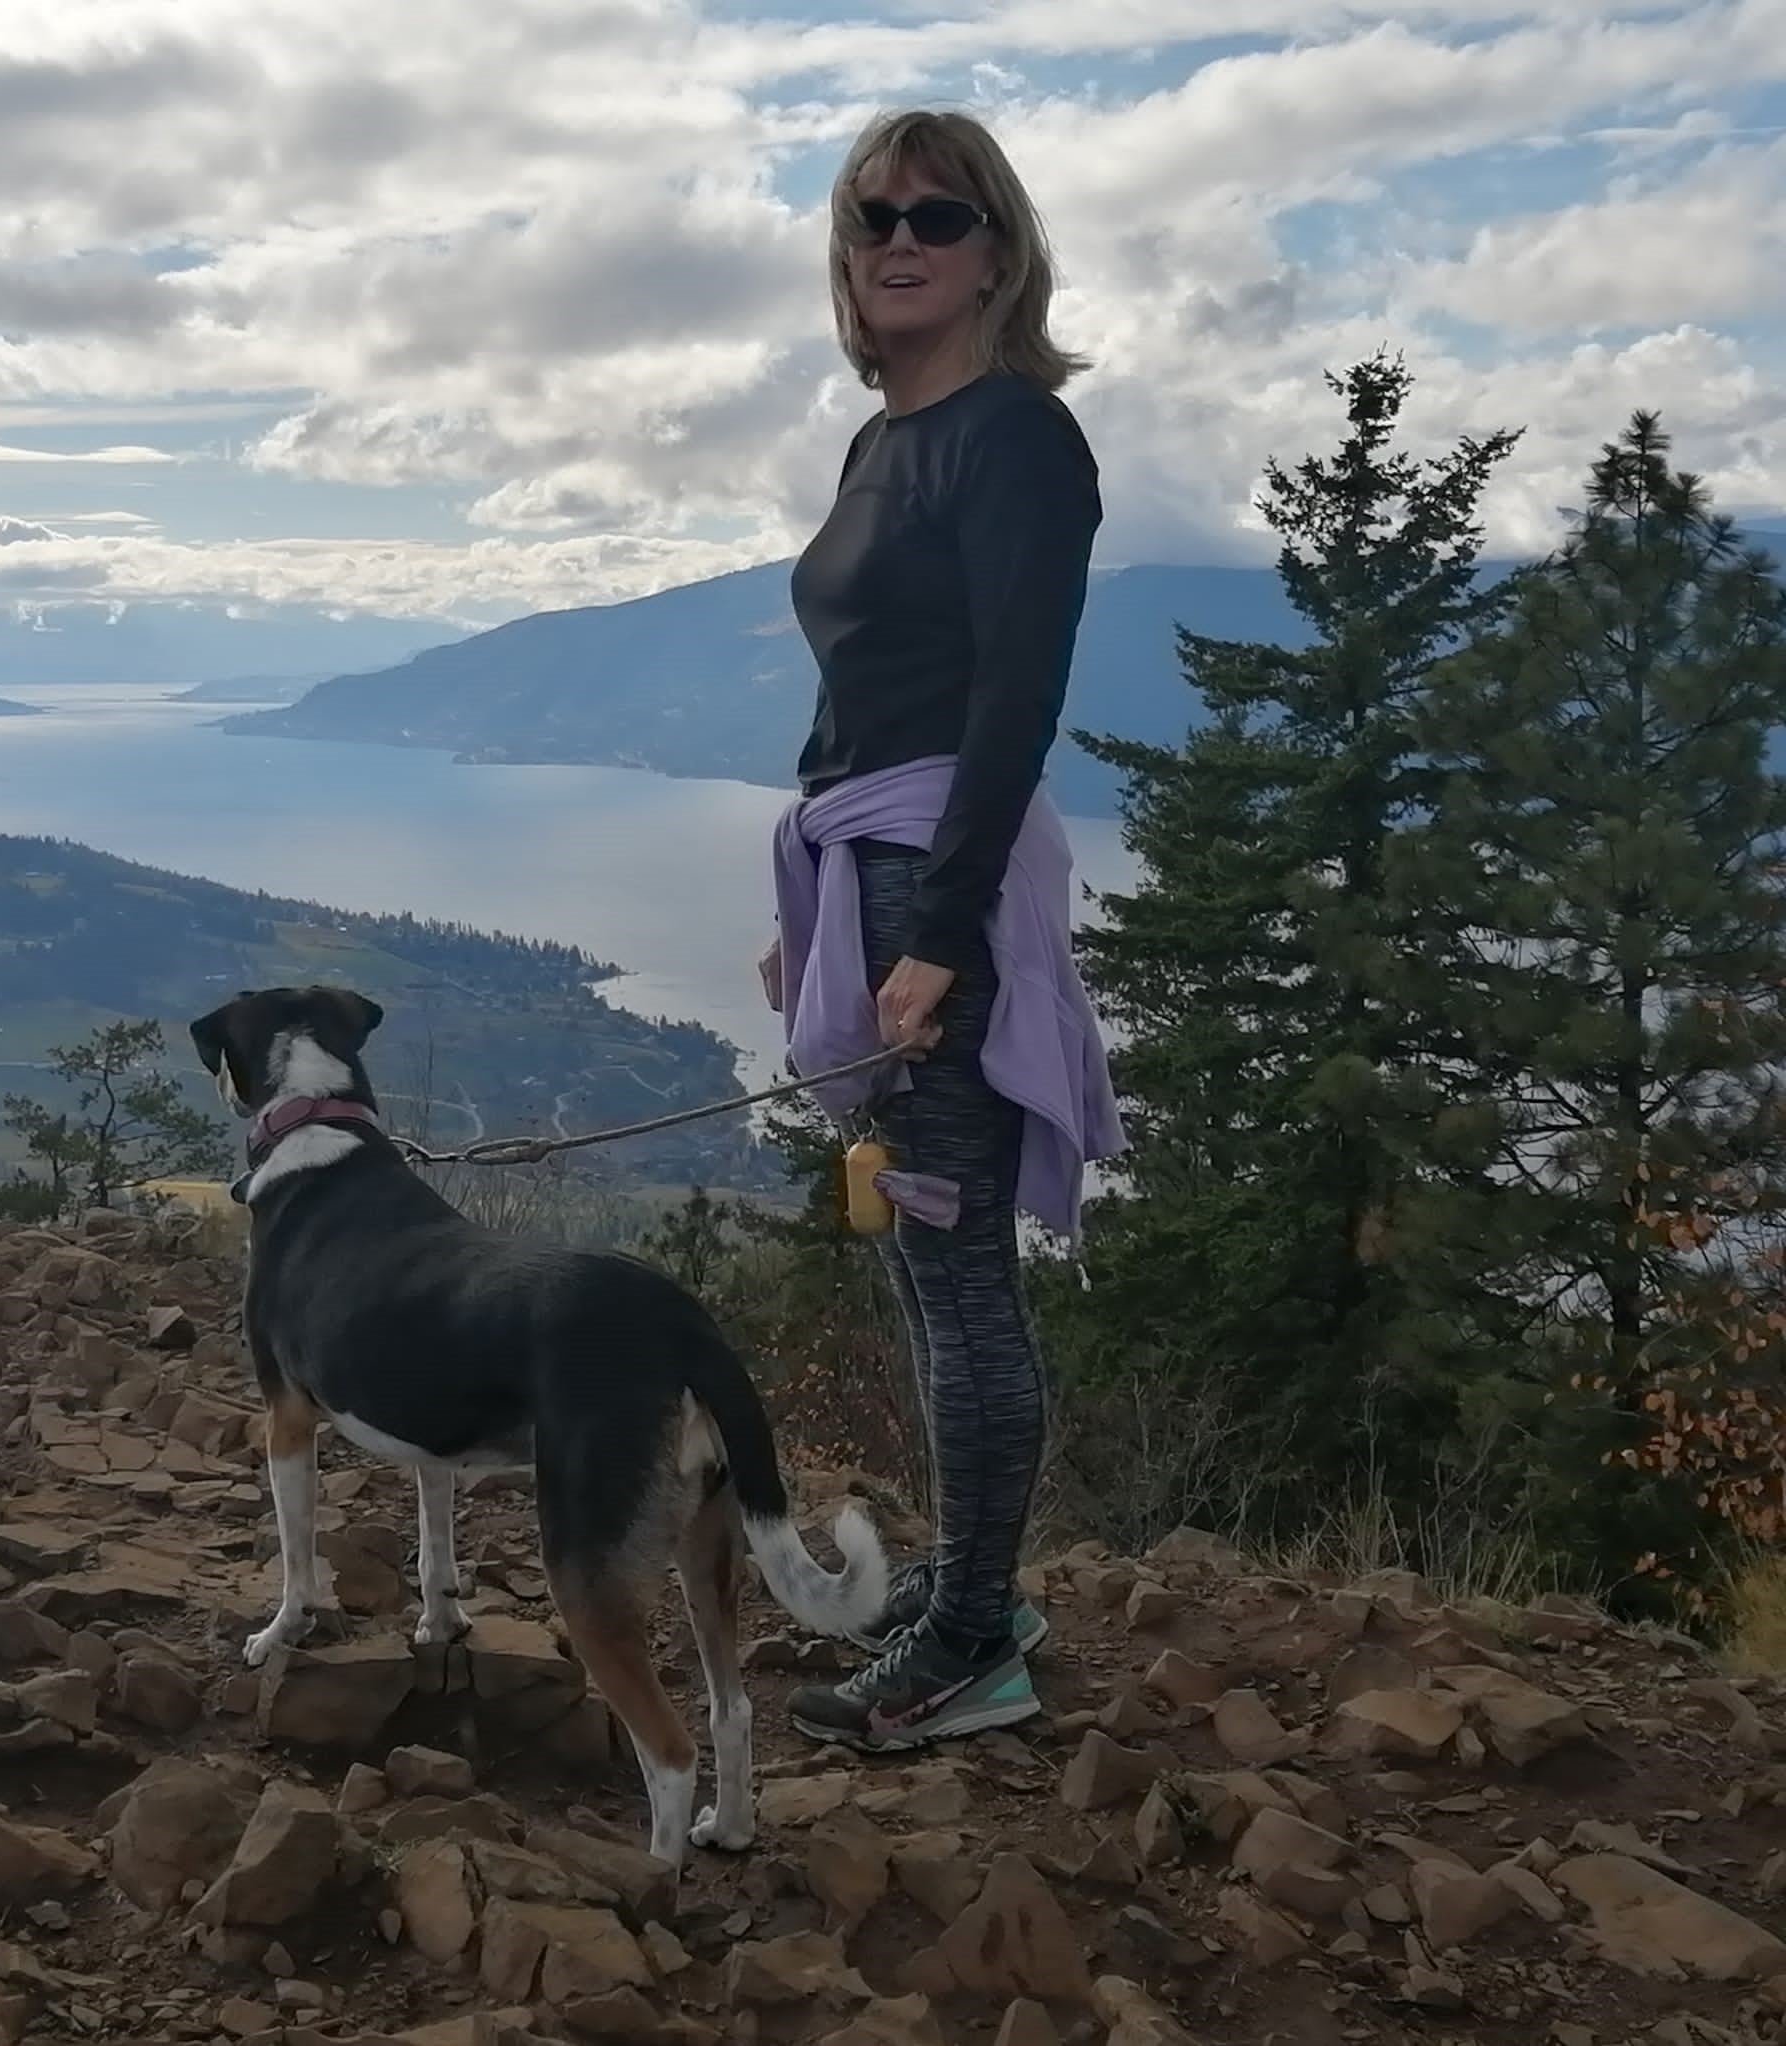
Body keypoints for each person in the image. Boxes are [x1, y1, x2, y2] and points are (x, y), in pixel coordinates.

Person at [761, 108, 1123, 1750]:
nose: (896, 241)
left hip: (940, 878)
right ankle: (966, 1578)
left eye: (936, 214)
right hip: (877, 869)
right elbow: (861, 694)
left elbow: (1010, 699)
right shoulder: (877, 445)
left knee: (963, 1277)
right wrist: (812, 917)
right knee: (924, 1260)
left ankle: (975, 1631)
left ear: (1001, 251)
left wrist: (939, 931)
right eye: (868, 220)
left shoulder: (1016, 440)